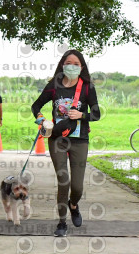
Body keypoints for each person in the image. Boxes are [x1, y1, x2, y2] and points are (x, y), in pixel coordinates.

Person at [31, 49, 100, 237]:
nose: (72, 67)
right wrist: (41, 118)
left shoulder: (87, 87)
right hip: (57, 139)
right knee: (64, 181)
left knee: (77, 187)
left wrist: (81, 115)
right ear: (63, 65)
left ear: (82, 67)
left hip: (80, 140)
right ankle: (62, 223)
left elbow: (96, 114)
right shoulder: (54, 85)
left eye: (76, 64)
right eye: (69, 63)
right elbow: (36, 105)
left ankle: (73, 205)